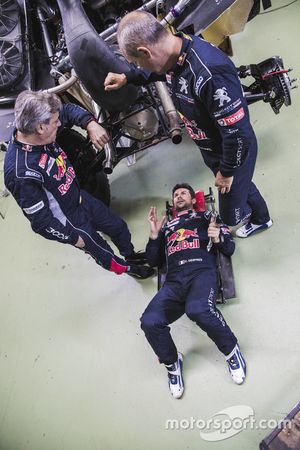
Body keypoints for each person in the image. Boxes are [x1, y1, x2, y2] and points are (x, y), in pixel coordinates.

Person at [104, 11, 273, 238]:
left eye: (137, 62)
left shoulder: (209, 73)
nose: (139, 66)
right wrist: (129, 77)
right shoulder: (175, 54)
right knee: (242, 185)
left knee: (231, 211)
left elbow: (238, 133)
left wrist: (227, 171)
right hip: (214, 148)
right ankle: (263, 217)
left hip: (233, 153)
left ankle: (258, 219)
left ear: (146, 51)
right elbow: (158, 73)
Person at [4, 90, 153, 279]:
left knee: (119, 227)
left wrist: (90, 123)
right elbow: (41, 222)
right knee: (106, 256)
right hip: (72, 222)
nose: (60, 123)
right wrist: (74, 238)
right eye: (55, 122)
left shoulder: (38, 128)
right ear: (41, 128)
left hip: (81, 198)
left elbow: (66, 111)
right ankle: (129, 270)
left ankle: (130, 256)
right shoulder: (19, 172)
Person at [141, 183, 246, 399]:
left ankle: (231, 350)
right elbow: (153, 261)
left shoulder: (208, 216)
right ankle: (172, 363)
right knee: (149, 321)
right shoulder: (167, 228)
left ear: (192, 199)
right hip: (174, 282)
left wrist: (217, 238)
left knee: (198, 309)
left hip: (201, 272)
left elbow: (229, 249)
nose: (179, 196)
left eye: (183, 193)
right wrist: (154, 236)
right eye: (176, 194)